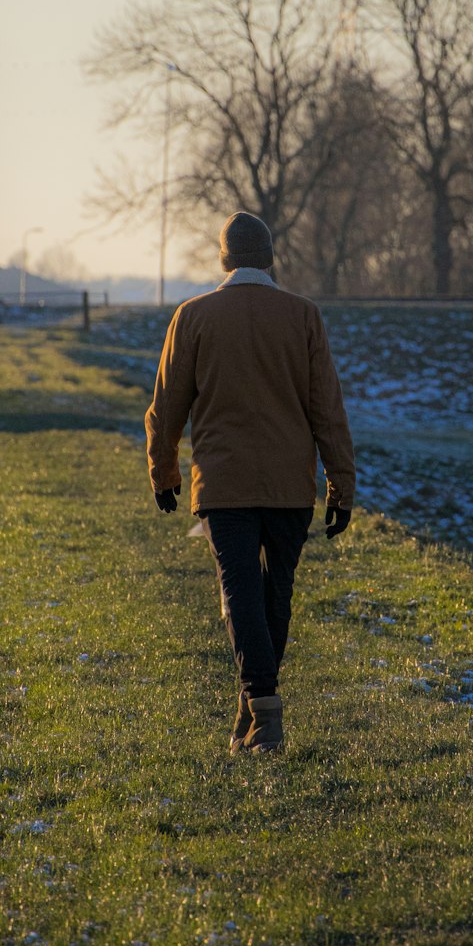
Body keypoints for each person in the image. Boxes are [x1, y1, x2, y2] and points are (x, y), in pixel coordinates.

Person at [145, 211, 356, 754]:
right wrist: (341, 484)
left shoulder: (193, 316)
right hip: (291, 487)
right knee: (274, 595)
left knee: (240, 592)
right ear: (269, 260)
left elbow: (167, 405)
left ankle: (264, 710)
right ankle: (256, 710)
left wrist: (164, 470)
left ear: (224, 260)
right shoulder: (303, 316)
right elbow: (327, 409)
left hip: (223, 483)